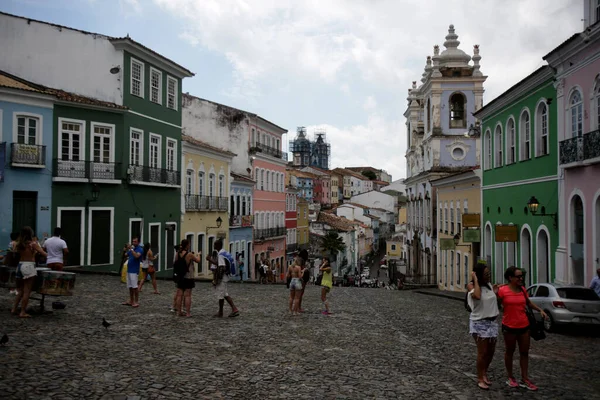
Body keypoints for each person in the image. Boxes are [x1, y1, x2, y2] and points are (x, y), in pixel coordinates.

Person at [498, 266, 547, 391]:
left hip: (524, 326)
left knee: (524, 352)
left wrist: (540, 310)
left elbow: (528, 303)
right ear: (510, 278)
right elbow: (496, 303)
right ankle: (510, 377)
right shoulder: (502, 290)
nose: (521, 278)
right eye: (518, 276)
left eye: (522, 276)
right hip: (509, 326)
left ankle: (525, 378)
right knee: (510, 351)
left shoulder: (523, 290)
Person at [466, 264, 500, 390]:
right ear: (479, 274)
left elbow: (491, 300)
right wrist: (475, 280)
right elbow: (478, 296)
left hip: (492, 322)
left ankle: (484, 372)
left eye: (489, 273)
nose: (488, 275)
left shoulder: (489, 286)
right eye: (485, 274)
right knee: (483, 352)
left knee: (491, 352)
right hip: (479, 322)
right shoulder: (471, 286)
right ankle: (480, 378)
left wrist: (495, 291)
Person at [11, 226, 47, 318]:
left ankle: (14, 309)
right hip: (29, 265)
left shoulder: (17, 244)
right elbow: (43, 253)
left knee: (21, 290)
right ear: (31, 234)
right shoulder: (33, 244)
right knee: (27, 291)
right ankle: (22, 312)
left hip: (20, 265)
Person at [207, 240, 239, 318]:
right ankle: (233, 309)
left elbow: (221, 267)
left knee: (221, 295)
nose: (214, 246)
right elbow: (220, 264)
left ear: (217, 246)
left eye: (214, 245)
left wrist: (217, 280)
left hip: (223, 277)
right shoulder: (224, 252)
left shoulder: (220, 255)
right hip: (227, 276)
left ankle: (223, 312)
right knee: (225, 294)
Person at [173, 239, 200, 317]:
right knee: (187, 295)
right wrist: (198, 254)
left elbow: (175, 263)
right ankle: (188, 313)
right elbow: (197, 261)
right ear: (187, 245)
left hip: (180, 276)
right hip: (188, 276)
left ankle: (179, 312)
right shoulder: (190, 254)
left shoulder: (178, 253)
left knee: (179, 294)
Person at [122, 237, 143, 308]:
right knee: (130, 287)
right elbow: (125, 256)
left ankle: (136, 301)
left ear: (138, 242)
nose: (133, 243)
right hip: (129, 270)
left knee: (135, 287)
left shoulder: (140, 249)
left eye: (135, 242)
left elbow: (137, 256)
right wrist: (124, 250)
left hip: (134, 271)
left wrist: (130, 248)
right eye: (133, 241)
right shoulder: (132, 249)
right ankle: (131, 300)